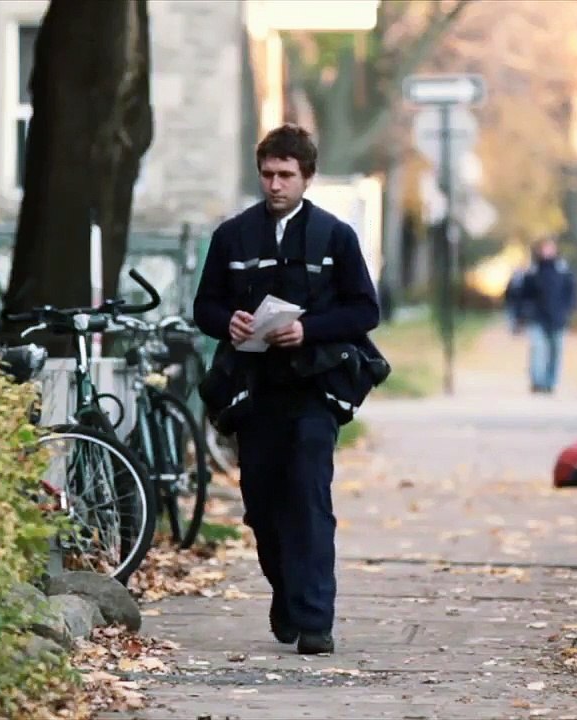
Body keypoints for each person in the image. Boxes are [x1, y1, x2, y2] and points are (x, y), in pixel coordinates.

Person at [192, 124, 380, 655]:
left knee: (308, 499)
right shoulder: (233, 236)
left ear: (307, 178)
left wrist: (309, 330)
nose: (275, 185)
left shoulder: (334, 237)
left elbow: (365, 309)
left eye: (286, 176)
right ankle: (286, 593)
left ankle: (315, 620)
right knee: (263, 504)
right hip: (253, 392)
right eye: (268, 174)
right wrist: (225, 321)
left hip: (313, 391)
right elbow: (204, 305)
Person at [513, 238, 577, 394]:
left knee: (556, 351)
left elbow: (571, 292)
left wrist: (567, 309)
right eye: (544, 248)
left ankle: (550, 382)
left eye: (549, 248)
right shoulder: (533, 271)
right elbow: (523, 294)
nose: (546, 252)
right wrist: (523, 312)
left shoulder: (563, 271)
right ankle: (537, 382)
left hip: (558, 318)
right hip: (537, 317)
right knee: (537, 349)